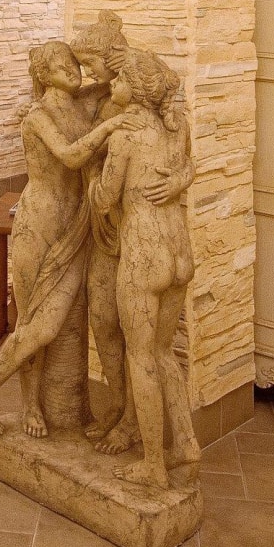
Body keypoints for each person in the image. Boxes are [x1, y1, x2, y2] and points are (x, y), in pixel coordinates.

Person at [0, 41, 118, 438]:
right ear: (43, 75)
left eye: (73, 62)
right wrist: (110, 127)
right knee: (37, 323)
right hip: (39, 225)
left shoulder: (83, 104)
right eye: (59, 66)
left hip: (75, 225)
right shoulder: (38, 116)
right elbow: (70, 156)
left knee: (50, 322)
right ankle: (3, 395)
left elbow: (116, 81)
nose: (72, 70)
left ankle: (22, 398)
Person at [87, 48, 200, 488]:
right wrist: (180, 180)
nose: (112, 83)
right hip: (179, 252)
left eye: (119, 80)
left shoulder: (126, 136)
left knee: (141, 358)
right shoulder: (177, 126)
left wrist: (93, 177)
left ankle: (153, 463)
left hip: (144, 257)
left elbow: (104, 199)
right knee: (163, 352)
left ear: (134, 90)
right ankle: (185, 444)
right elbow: (188, 166)